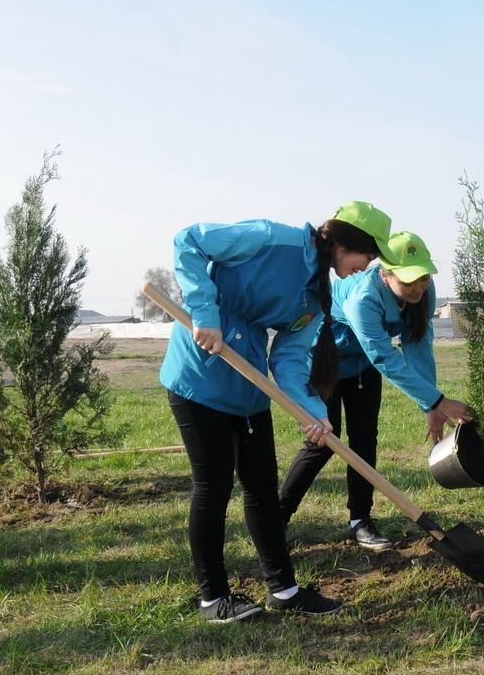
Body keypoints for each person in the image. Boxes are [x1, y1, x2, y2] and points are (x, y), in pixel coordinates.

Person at [161, 207, 386, 622]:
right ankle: (213, 598)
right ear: (344, 242)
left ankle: (284, 590)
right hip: (199, 372)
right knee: (213, 485)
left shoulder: (316, 295)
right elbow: (188, 240)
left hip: (248, 384)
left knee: (262, 486)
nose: (366, 268)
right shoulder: (270, 239)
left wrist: (314, 411)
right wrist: (205, 314)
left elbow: (289, 356)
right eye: (367, 257)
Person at [279, 230, 471, 545]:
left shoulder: (424, 291)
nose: (417, 288)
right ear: (385, 274)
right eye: (407, 281)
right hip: (326, 359)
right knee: (323, 441)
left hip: (361, 367)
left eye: (422, 279)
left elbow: (418, 345)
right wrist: (438, 400)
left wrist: (430, 406)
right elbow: (383, 355)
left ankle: (360, 520)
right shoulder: (362, 298)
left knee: (365, 440)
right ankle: (277, 519)